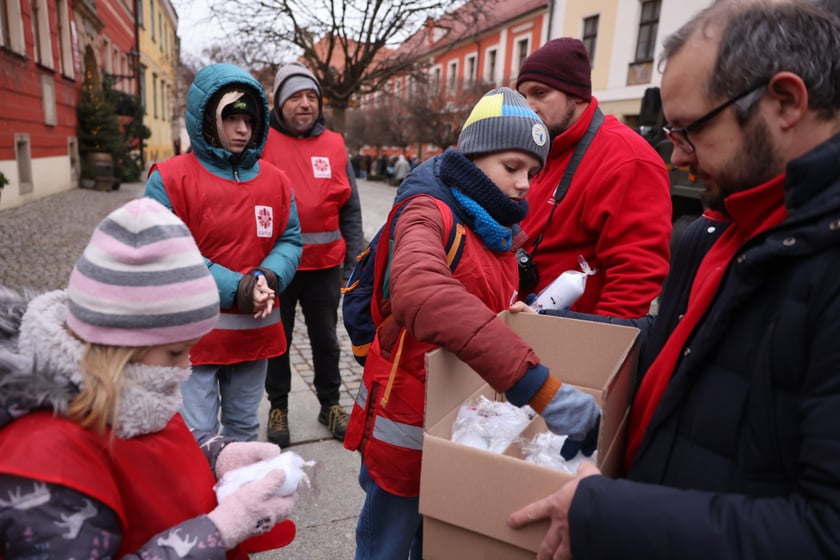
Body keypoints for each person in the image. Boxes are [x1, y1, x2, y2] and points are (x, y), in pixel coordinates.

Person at [508, 2, 840, 559]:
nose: (677, 155)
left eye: (691, 129)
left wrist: (606, 510)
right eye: (671, 130)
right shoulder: (726, 228)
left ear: (785, 102)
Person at [344, 87, 602, 560]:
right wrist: (538, 387)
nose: (525, 184)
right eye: (512, 167)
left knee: (434, 539)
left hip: (453, 419)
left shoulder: (495, 229)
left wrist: (511, 309)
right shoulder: (429, 211)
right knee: (386, 543)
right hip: (404, 421)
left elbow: (475, 296)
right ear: (472, 155)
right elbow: (422, 291)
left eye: (533, 172)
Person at [0, 198, 298, 557]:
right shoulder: (41, 466)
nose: (185, 366)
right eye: (176, 352)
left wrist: (218, 453)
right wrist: (215, 532)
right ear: (120, 346)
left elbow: (150, 439)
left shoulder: (125, 382)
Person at [145, 62, 302, 442]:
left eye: (249, 120)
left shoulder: (276, 181)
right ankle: (202, 504)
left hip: (254, 334)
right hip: (192, 339)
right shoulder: (168, 178)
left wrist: (268, 277)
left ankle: (241, 501)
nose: (242, 129)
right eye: (232, 118)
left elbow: (290, 239)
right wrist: (240, 287)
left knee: (244, 431)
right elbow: (167, 253)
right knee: (198, 436)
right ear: (208, 117)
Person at [515, 37, 672, 318]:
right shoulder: (546, 148)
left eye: (540, 93)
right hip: (527, 329)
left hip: (568, 344)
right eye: (523, 96)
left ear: (577, 94)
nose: (529, 107)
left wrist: (595, 354)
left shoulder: (626, 159)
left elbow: (635, 279)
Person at [261, 61, 364, 447]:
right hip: (277, 268)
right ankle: (278, 406)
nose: (305, 104)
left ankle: (330, 403)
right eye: (295, 97)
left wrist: (355, 258)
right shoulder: (262, 142)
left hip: (325, 267)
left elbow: (350, 208)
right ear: (279, 102)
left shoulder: (334, 145)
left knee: (326, 340)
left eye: (311, 97)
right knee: (278, 341)